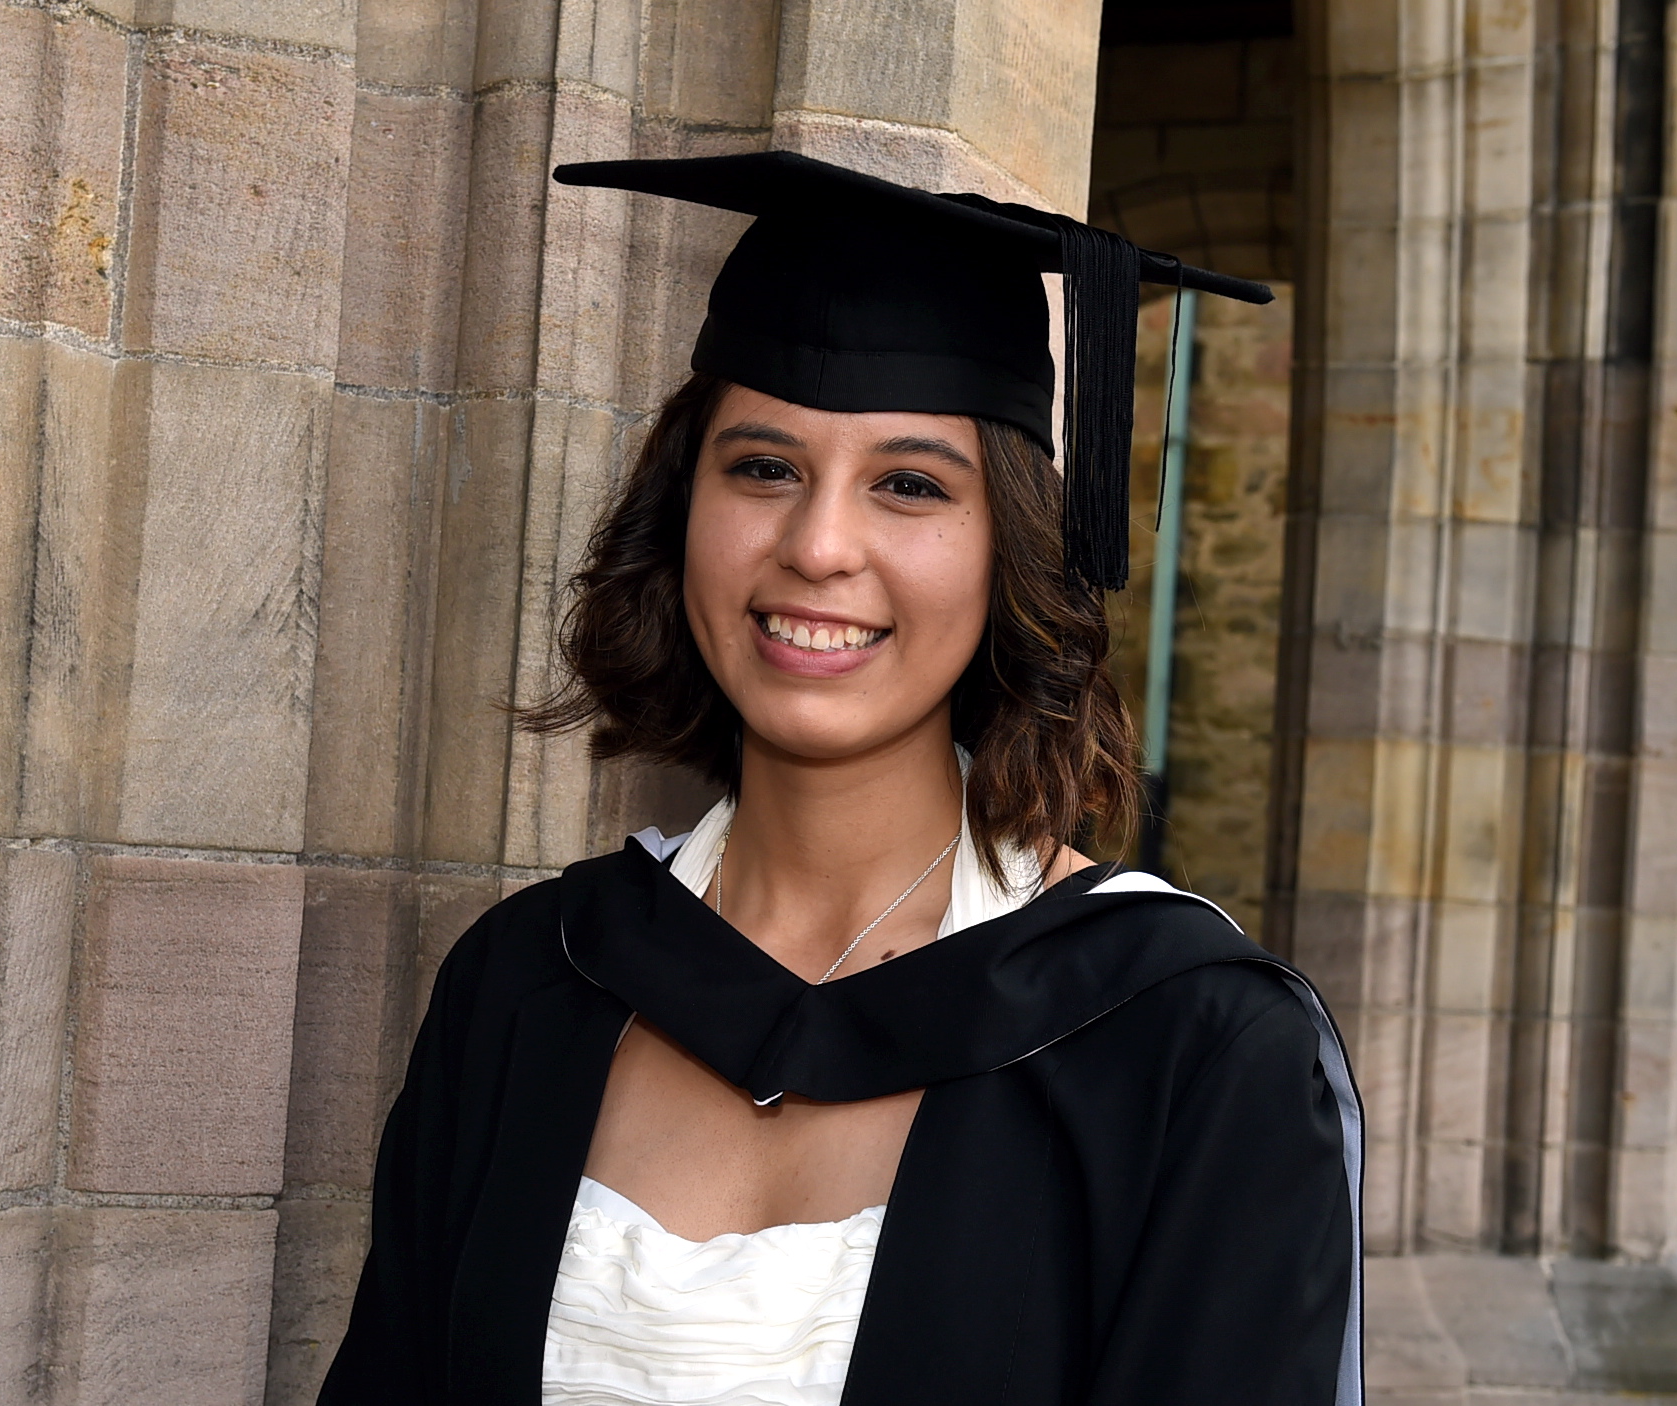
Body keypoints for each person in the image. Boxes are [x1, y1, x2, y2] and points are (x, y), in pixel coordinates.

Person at [317, 151, 1361, 1406]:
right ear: (680, 507)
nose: (816, 544)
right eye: (761, 466)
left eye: (909, 484)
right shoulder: (527, 983)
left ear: (1013, 549)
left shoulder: (1183, 1044)